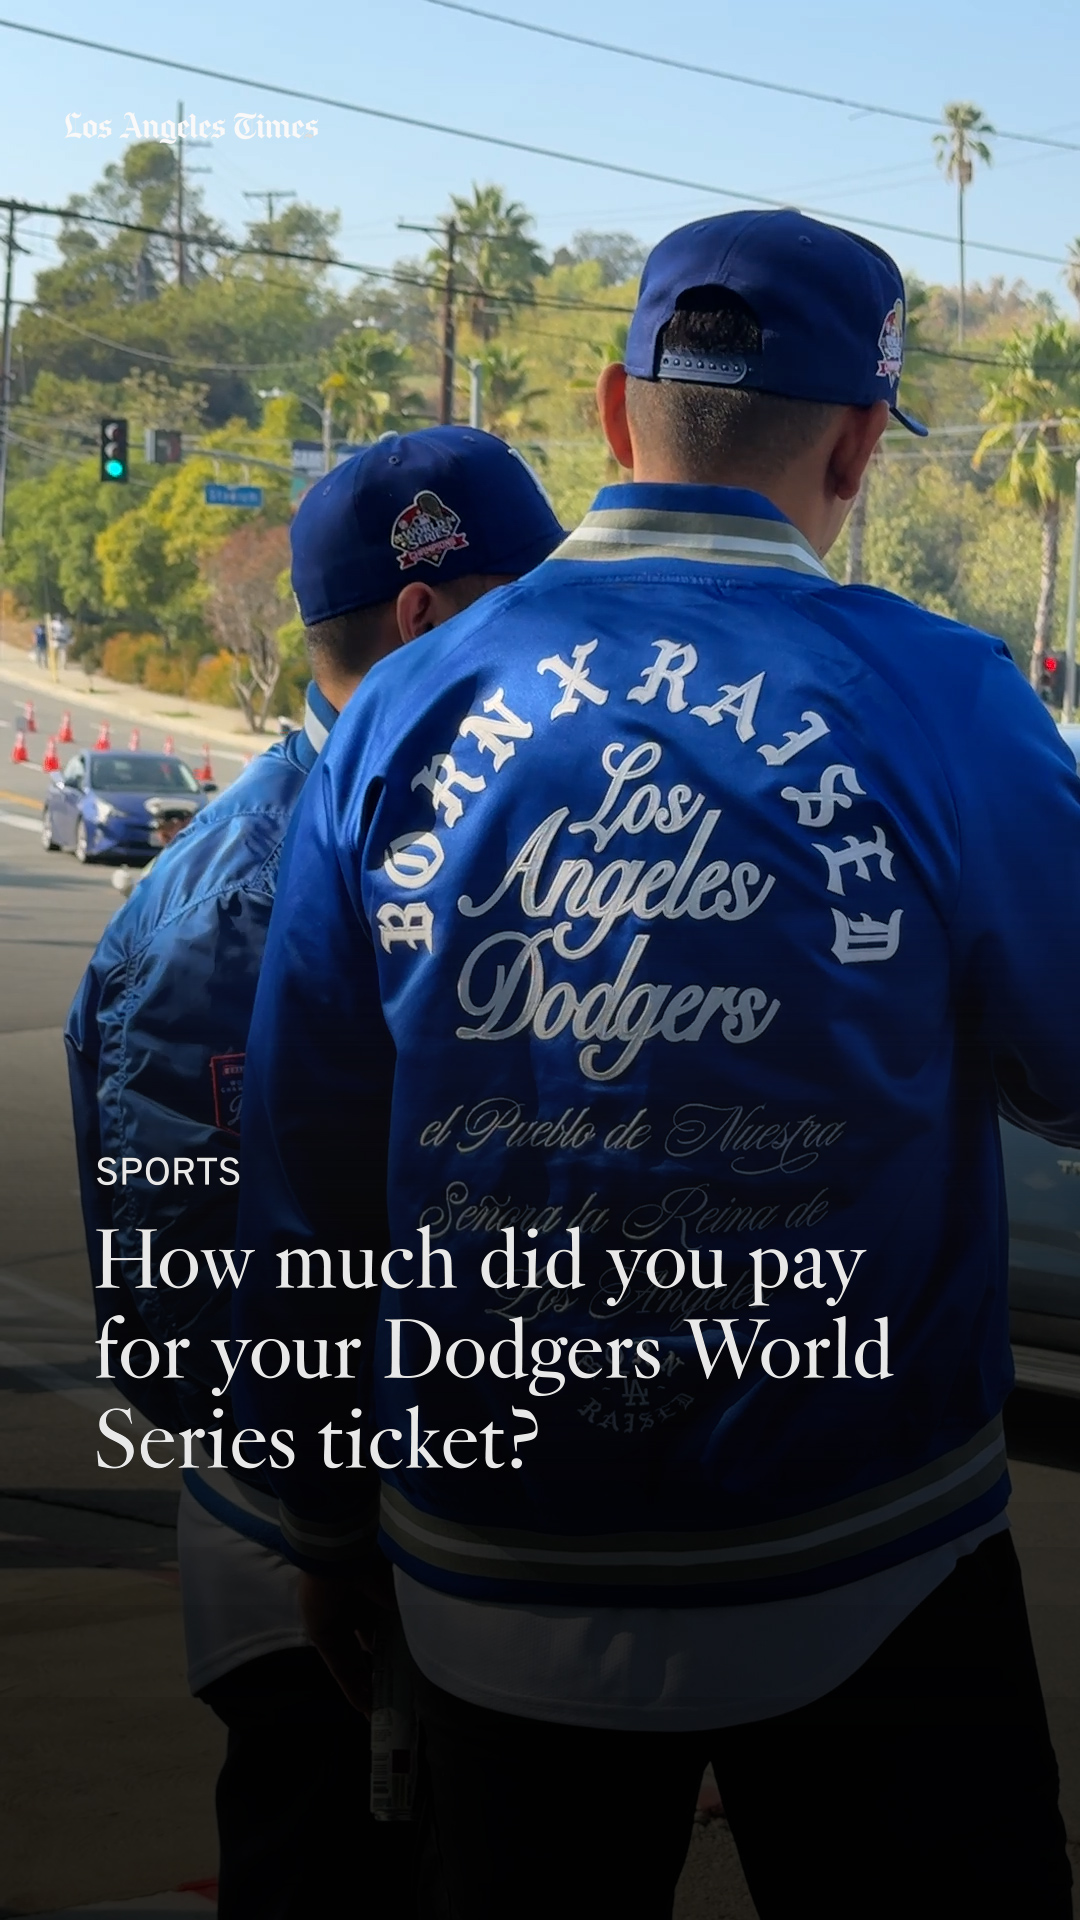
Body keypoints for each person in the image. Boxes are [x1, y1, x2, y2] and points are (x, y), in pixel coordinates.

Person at [233, 212, 1079, 1920]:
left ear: (616, 411)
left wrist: (319, 1516)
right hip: (875, 1561)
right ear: (859, 443)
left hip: (486, 1574)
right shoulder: (947, 696)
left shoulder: (401, 711)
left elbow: (304, 1158)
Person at [64, 427, 563, 1920]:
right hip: (315, 1583)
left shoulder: (489, 833)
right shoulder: (229, 908)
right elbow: (185, 1320)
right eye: (530, 604)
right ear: (425, 616)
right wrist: (351, 1510)